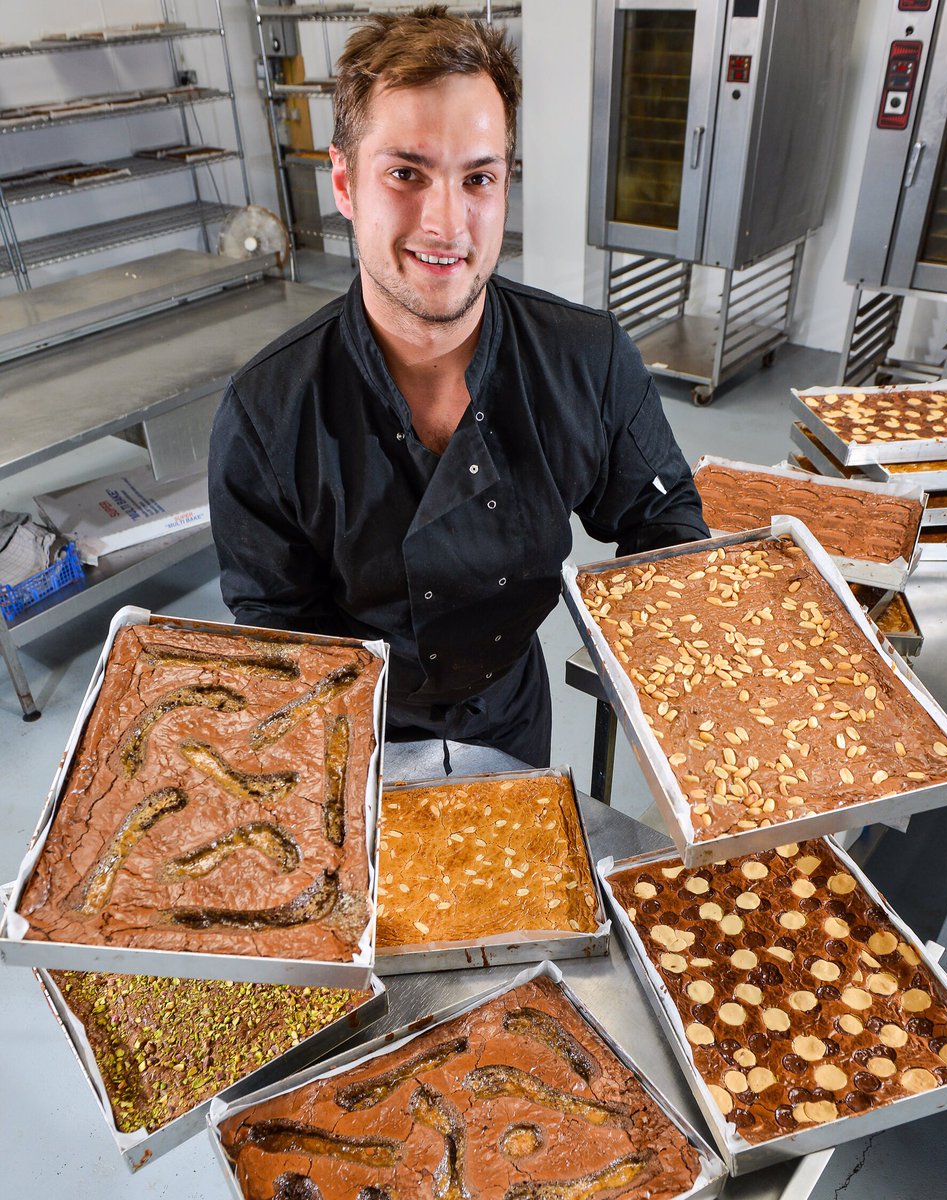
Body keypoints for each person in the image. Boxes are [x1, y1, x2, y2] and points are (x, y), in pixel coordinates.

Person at [208, 5, 708, 768]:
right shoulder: (265, 417)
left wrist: (678, 690)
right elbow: (279, 630)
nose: (446, 222)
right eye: (406, 173)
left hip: (511, 713)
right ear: (344, 183)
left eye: (478, 177)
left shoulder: (588, 360)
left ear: (505, 182)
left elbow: (663, 519)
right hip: (354, 733)